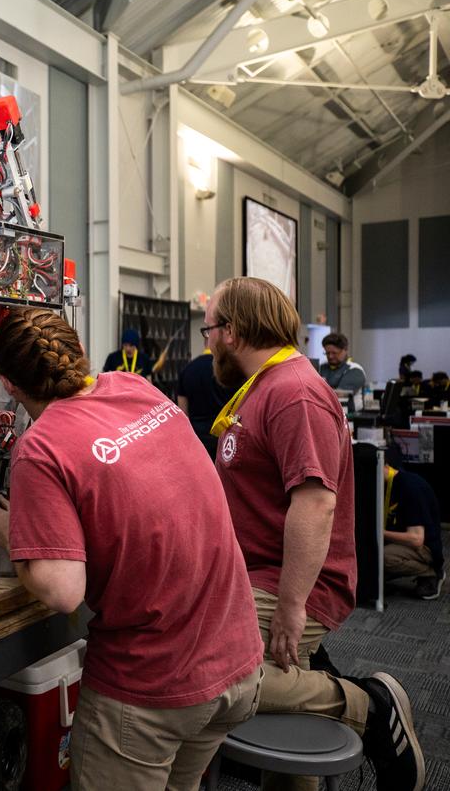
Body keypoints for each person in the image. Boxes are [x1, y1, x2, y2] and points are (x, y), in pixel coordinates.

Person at [0, 306, 262, 791]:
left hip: (153, 693)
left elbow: (64, 591)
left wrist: (15, 535)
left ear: (7, 382)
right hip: (237, 667)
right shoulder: (135, 388)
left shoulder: (41, 446)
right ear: (80, 352)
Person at [204, 277, 424, 791]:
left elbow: (317, 503)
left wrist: (290, 603)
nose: (206, 340)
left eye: (209, 328)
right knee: (286, 726)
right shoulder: (263, 387)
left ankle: (367, 706)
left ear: (233, 332)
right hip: (259, 575)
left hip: (288, 582)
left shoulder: (294, 393)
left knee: (206, 672)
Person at [383, 446, 444, 600]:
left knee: (383, 558)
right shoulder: (387, 484)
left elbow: (416, 539)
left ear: (385, 465)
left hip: (424, 547)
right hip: (402, 541)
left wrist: (379, 533)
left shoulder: (410, 487)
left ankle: (431, 572)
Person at [176, 347, 236, 458]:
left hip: (198, 438)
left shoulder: (187, 370)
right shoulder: (228, 370)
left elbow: (183, 413)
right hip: (224, 435)